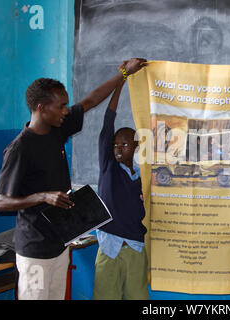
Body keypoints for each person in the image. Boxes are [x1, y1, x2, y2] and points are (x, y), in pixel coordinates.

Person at [0, 58, 146, 300]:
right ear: (42, 107)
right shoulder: (20, 149)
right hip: (35, 249)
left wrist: (124, 74)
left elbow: (91, 100)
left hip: (60, 243)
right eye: (61, 106)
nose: (66, 111)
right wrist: (43, 196)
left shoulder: (58, 130)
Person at [92, 62, 148, 300]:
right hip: (109, 246)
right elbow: (108, 123)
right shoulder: (109, 169)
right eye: (115, 144)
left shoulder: (142, 175)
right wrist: (121, 80)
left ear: (136, 146)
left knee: (137, 296)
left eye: (124, 145)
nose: (117, 148)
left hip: (134, 246)